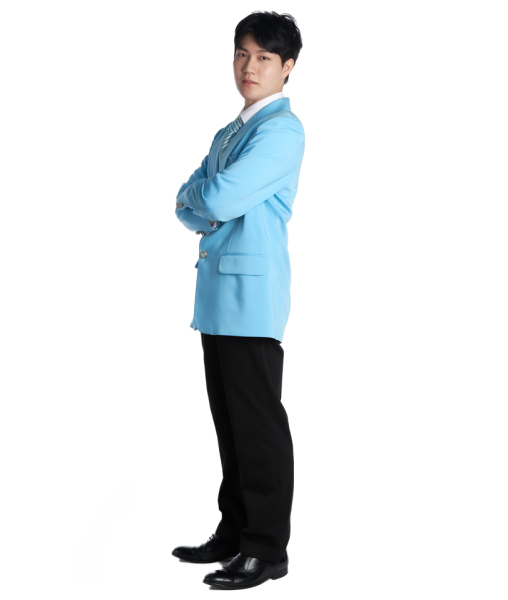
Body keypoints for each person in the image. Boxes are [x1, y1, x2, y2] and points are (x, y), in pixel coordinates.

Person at [172, 11, 305, 590]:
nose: (250, 66)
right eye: (242, 54)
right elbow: (184, 201)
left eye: (264, 57)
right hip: (218, 296)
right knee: (229, 424)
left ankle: (267, 549)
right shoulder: (230, 131)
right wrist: (200, 199)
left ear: (287, 67)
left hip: (251, 298)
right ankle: (234, 532)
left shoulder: (281, 131)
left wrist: (203, 199)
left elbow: (217, 198)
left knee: (257, 426)